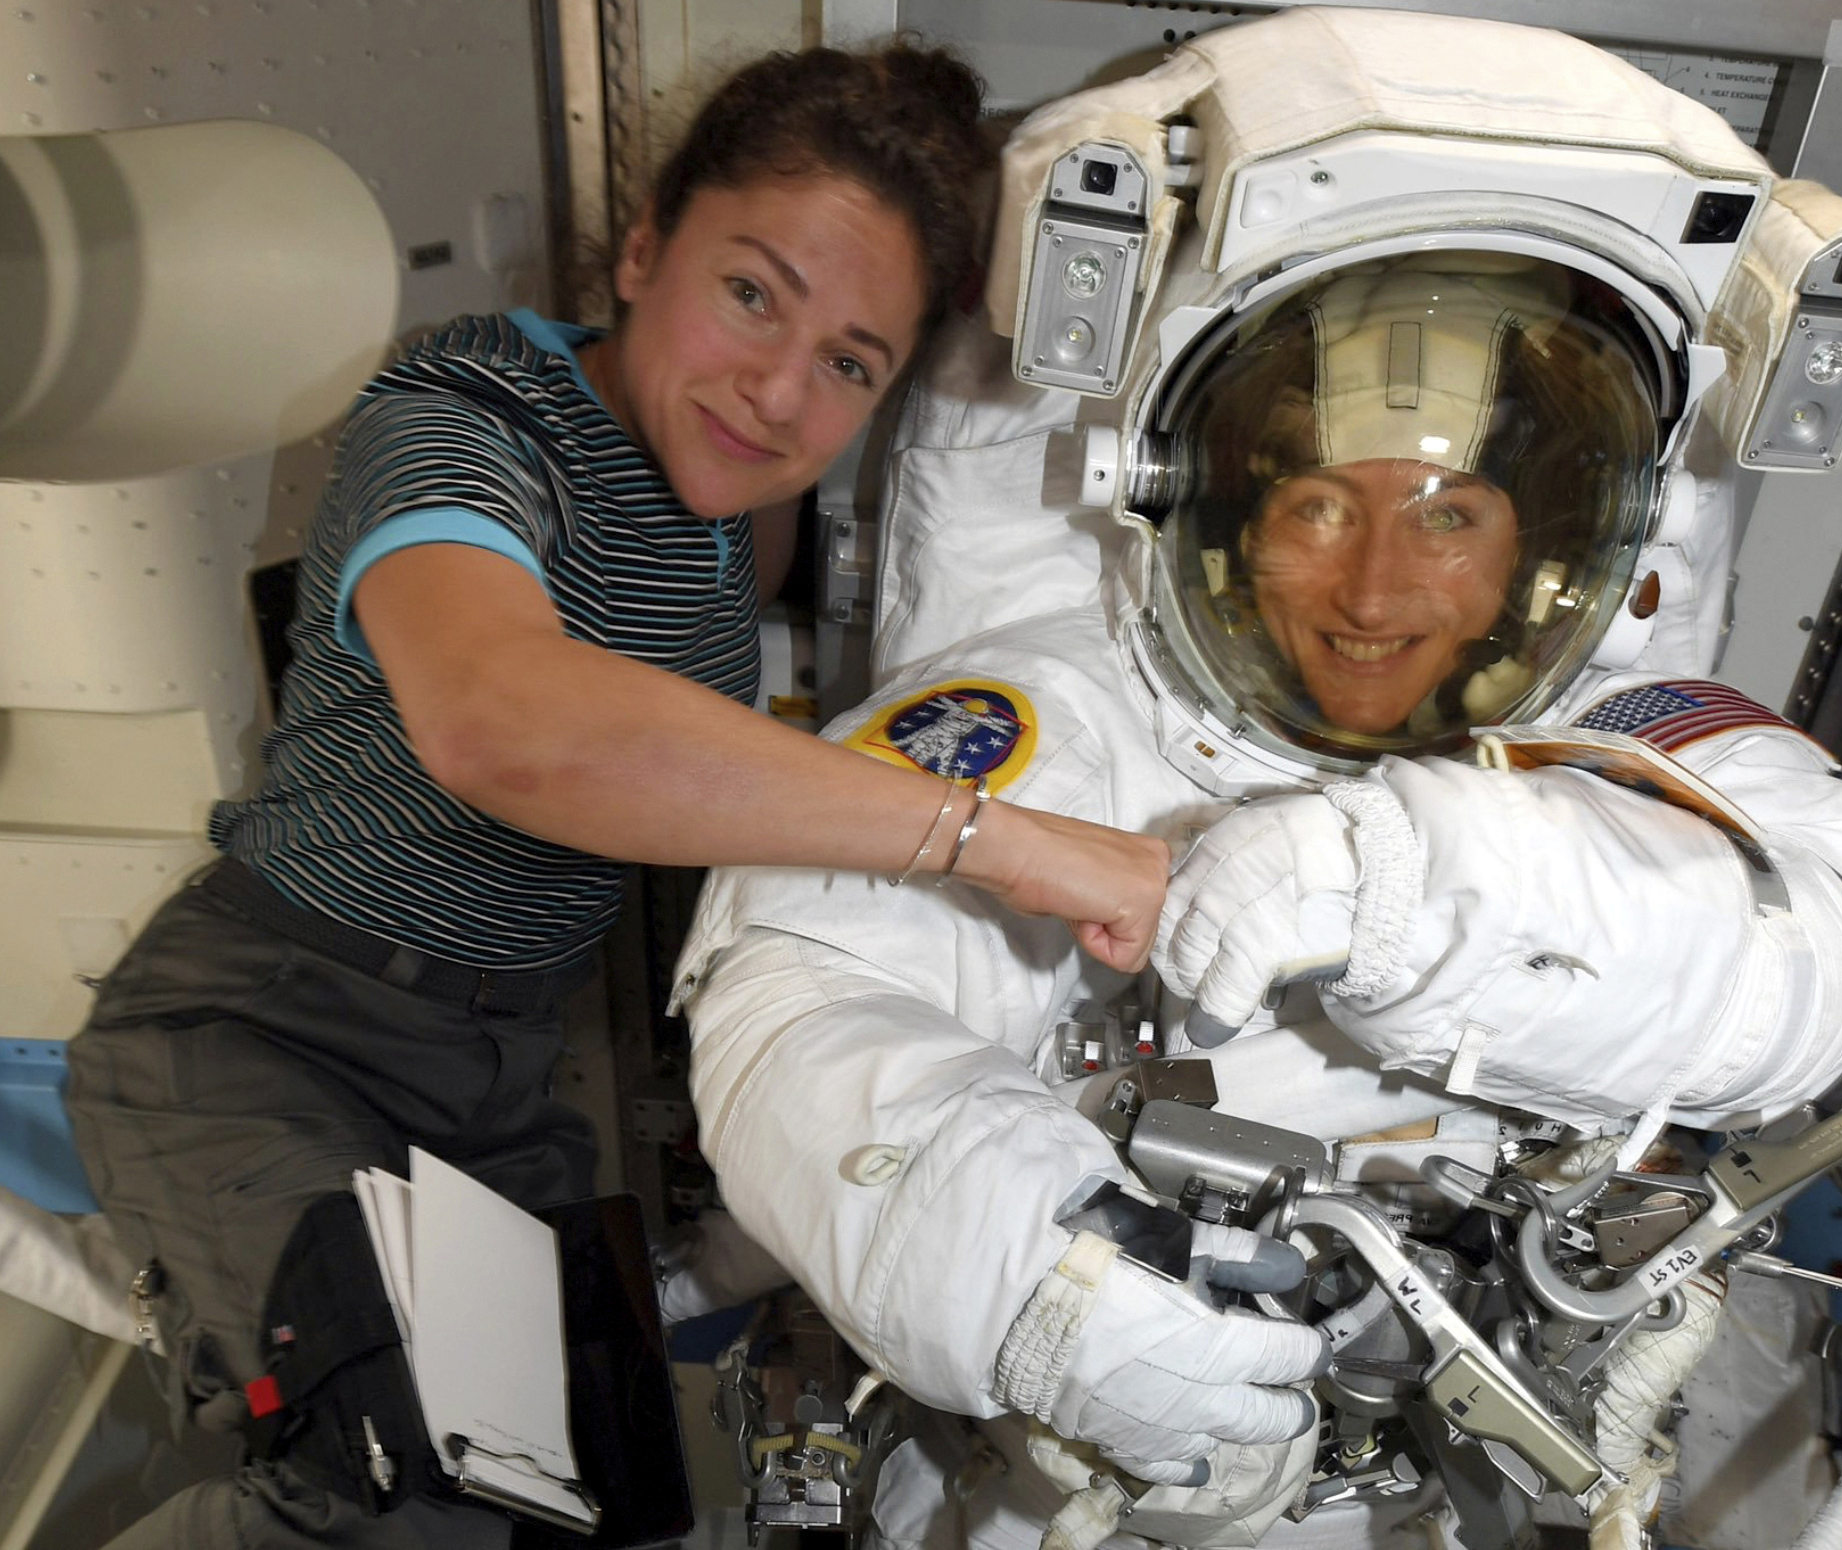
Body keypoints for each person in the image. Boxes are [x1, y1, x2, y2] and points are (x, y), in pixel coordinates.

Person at [673, 12, 1842, 1550]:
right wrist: (1038, 1272)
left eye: (1451, 516)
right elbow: (804, 990)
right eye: (1317, 507)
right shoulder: (1066, 712)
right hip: (1072, 1484)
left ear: (1549, 538)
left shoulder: (1630, 739)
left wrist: (1407, 882)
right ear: (1202, 506)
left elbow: (1833, 955)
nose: (1376, 591)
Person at [60, 38, 1166, 1550]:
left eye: (851, 362)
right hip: (268, 1033)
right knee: (400, 1501)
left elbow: (696, 751)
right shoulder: (466, 414)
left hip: (499, 1077)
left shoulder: (740, 515)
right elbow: (507, 724)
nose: (778, 391)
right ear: (644, 250)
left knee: (594, 1510)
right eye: (751, 291)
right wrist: (1001, 844)